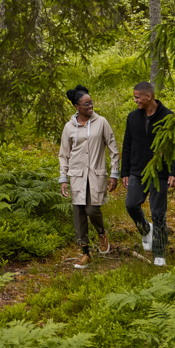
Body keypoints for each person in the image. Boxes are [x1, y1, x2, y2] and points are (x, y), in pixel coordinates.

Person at [120, 81, 175, 267]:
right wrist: (125, 171)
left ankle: (159, 252)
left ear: (148, 96)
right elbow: (127, 145)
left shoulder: (169, 117)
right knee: (131, 204)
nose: (135, 100)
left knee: (158, 213)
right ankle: (145, 229)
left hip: (161, 173)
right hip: (137, 171)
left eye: (137, 97)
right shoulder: (132, 117)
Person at [58, 85, 119, 269]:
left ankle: (101, 233)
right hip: (76, 175)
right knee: (79, 214)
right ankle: (85, 253)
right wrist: (63, 178)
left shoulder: (101, 122)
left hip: (96, 174)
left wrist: (114, 173)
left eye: (91, 103)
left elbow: (113, 148)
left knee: (92, 210)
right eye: (86, 104)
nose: (90, 106)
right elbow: (64, 154)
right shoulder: (69, 127)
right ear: (76, 106)